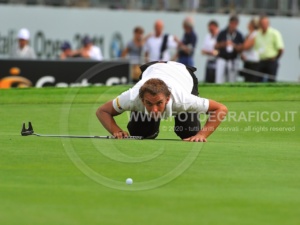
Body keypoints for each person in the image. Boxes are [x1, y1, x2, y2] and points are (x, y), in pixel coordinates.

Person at [96, 61, 228, 142]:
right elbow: (102, 111)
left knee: (189, 133)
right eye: (149, 103)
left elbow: (221, 109)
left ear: (168, 98)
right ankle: (150, 127)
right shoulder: (132, 97)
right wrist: (116, 130)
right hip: (152, 68)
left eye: (159, 103)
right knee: (140, 134)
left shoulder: (183, 100)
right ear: (142, 100)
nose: (154, 110)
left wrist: (202, 135)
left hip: (183, 74)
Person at [254, 15, 284, 82]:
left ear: (268, 24)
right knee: (257, 81)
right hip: (261, 61)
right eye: (262, 23)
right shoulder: (258, 34)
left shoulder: (274, 33)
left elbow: (281, 49)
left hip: (271, 61)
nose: (263, 25)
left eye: (265, 23)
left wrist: (275, 58)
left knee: (271, 81)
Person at [215, 15, 244, 83]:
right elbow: (216, 46)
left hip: (233, 59)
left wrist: (234, 45)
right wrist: (224, 44)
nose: (233, 25)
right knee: (219, 79)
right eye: (232, 23)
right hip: (222, 58)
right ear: (229, 23)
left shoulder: (239, 35)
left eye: (235, 24)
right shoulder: (222, 33)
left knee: (232, 80)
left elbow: (241, 48)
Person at [241, 18, 260, 82]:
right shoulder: (249, 34)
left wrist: (237, 47)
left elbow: (246, 46)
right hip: (248, 60)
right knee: (247, 80)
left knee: (252, 80)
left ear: (252, 25)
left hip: (253, 61)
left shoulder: (255, 34)